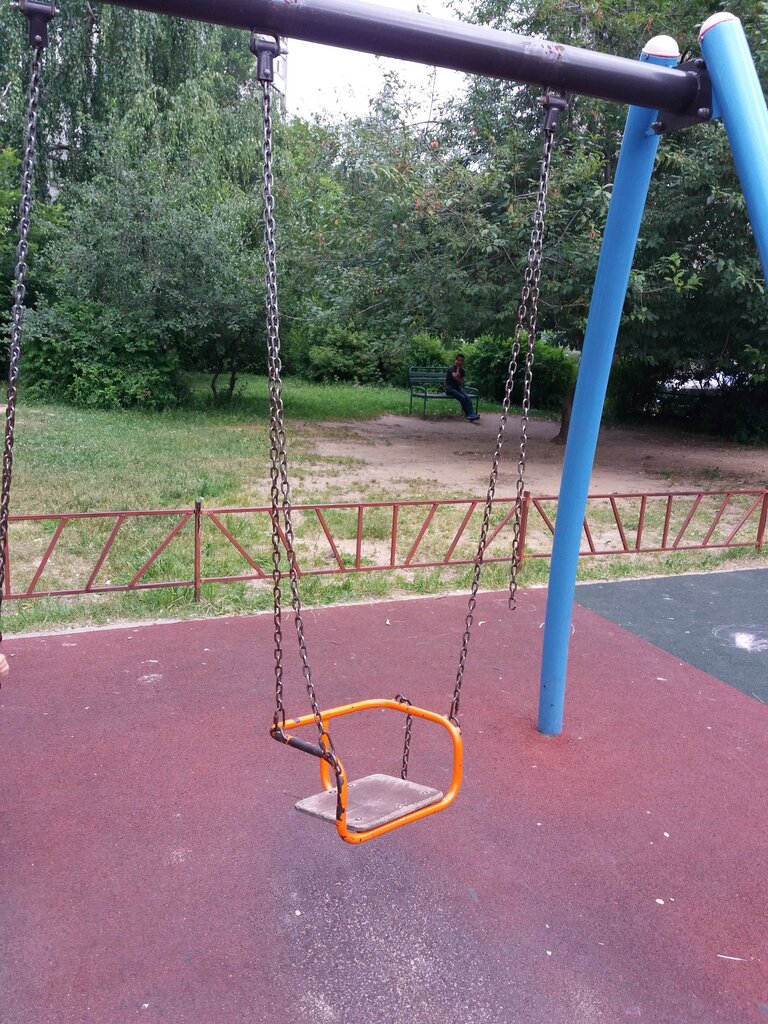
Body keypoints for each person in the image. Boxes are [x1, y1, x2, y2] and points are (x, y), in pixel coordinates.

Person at [445, 353, 480, 422]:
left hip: (457, 389)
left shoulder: (463, 371)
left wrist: (459, 380)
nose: (460, 362)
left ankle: (472, 414)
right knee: (462, 397)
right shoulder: (451, 368)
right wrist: (458, 369)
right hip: (449, 389)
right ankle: (469, 415)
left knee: (467, 398)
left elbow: (462, 383)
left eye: (462, 361)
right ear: (456, 360)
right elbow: (455, 377)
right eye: (459, 360)